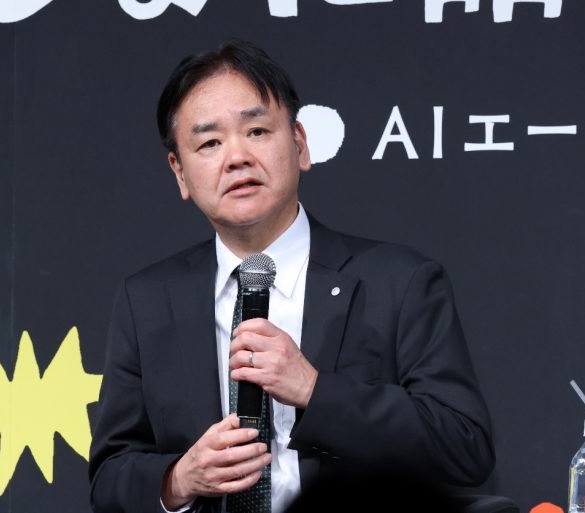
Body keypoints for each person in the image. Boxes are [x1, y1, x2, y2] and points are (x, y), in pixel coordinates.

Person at [89, 38, 495, 513]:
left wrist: (314, 390)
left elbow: (464, 447)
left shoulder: (399, 283)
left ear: (299, 144)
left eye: (257, 131)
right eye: (210, 143)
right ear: (179, 172)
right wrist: (178, 479)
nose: (237, 157)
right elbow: (109, 478)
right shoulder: (148, 301)